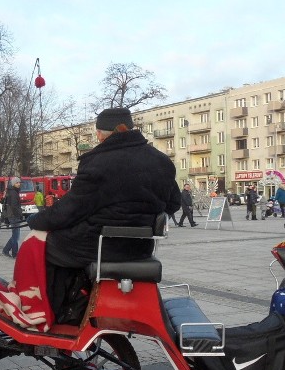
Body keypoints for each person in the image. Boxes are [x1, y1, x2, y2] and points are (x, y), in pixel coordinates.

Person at [25, 107, 180, 318]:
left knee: (41, 244)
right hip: (140, 247)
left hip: (102, 243)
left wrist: (37, 220)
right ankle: (77, 300)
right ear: (131, 128)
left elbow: (70, 210)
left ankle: (54, 310)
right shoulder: (161, 161)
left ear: (100, 134)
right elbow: (173, 204)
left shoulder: (98, 162)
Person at [1, 177, 23, 258]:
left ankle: (6, 250)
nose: (19, 184)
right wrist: (20, 214)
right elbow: (14, 206)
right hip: (14, 216)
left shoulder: (11, 191)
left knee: (15, 235)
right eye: (17, 183)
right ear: (13, 184)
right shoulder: (13, 193)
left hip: (11, 215)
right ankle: (15, 253)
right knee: (16, 236)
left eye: (19, 183)